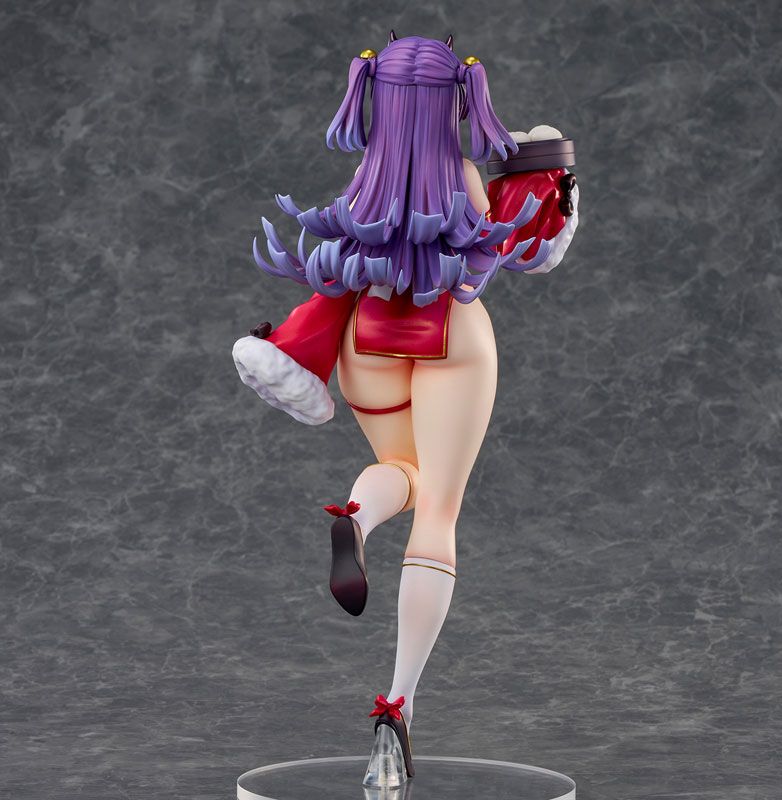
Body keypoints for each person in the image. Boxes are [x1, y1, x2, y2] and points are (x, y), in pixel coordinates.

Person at [232, 31, 579, 787]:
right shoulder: (463, 176)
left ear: (376, 100)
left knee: (400, 467)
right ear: (455, 102)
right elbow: (500, 253)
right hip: (452, 337)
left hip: (366, 342)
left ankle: (357, 517)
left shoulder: (364, 183)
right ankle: (397, 707)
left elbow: (339, 268)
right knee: (439, 512)